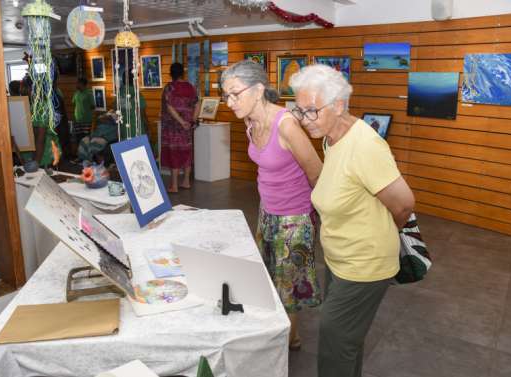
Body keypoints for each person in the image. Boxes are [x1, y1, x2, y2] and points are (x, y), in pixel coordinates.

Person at [289, 64, 415, 377]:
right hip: (339, 259)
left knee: (334, 348)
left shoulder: (366, 145)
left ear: (339, 105)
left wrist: (378, 235)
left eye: (311, 111)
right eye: (299, 111)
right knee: (346, 342)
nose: (304, 121)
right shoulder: (330, 138)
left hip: (364, 265)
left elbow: (404, 205)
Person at [221, 60, 323, 350]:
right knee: (268, 276)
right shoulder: (249, 119)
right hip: (268, 211)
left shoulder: (287, 125)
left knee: (288, 286)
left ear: (258, 89)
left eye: (235, 94)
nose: (229, 103)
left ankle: (285, 346)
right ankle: (284, 334)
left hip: (295, 217)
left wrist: (325, 219)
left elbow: (317, 172)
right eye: (226, 96)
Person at [160, 62, 199, 193]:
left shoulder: (169, 88)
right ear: (183, 73)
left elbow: (169, 107)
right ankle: (186, 181)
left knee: (174, 153)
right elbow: (197, 104)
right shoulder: (190, 87)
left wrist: (181, 122)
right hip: (187, 127)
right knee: (186, 152)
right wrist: (192, 121)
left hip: (173, 127)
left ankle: (174, 186)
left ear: (171, 73)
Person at [72, 77, 95, 159]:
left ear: (83, 84)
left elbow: (93, 106)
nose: (76, 85)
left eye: (78, 83)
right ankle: (79, 156)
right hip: (77, 120)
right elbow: (74, 104)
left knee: (86, 139)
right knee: (78, 138)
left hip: (86, 121)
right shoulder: (76, 93)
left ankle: (87, 156)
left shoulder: (89, 93)